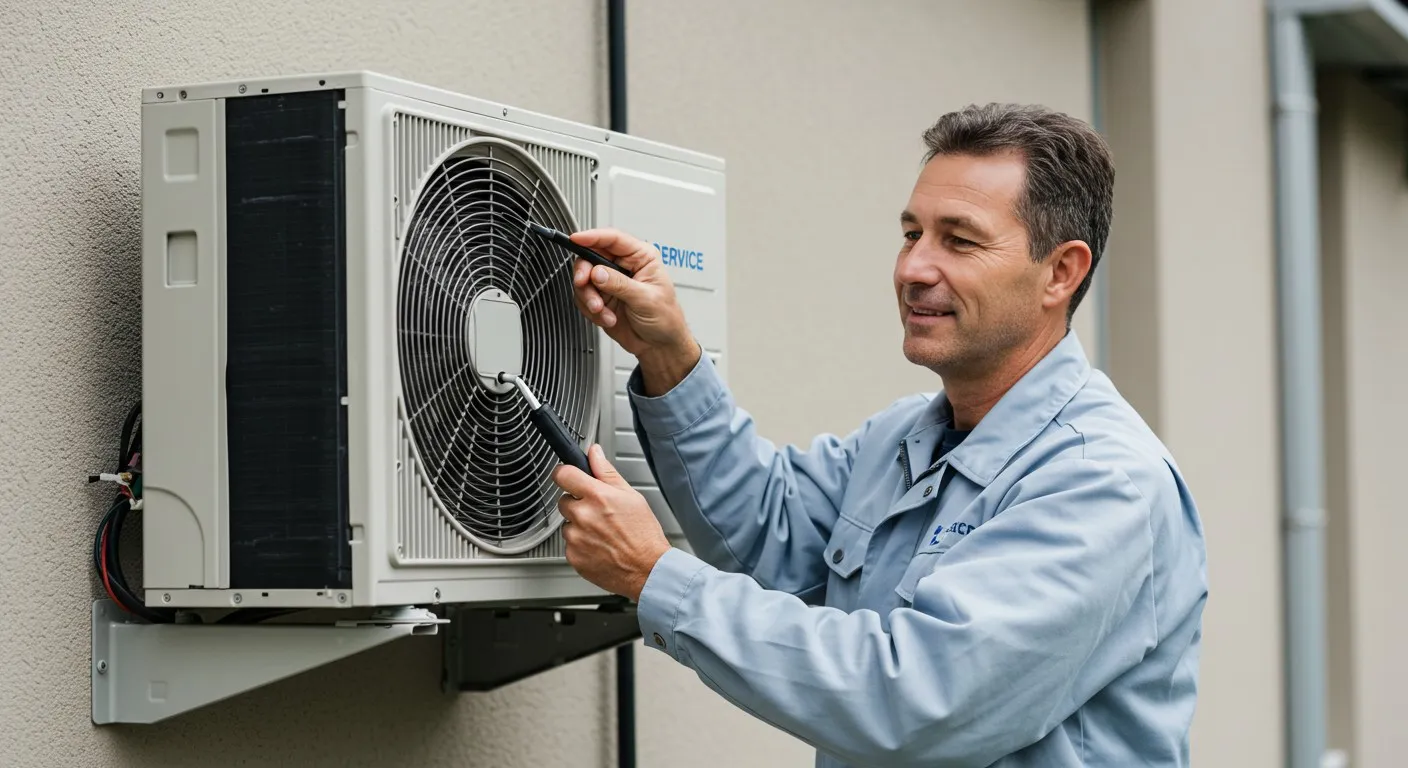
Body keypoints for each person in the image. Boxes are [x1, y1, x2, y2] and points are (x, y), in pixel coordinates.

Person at [549, 103, 1207, 767]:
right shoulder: (903, 438)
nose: (914, 268)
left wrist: (654, 575)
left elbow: (916, 701)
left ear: (1061, 272)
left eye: (960, 241)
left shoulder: (1101, 482)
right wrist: (668, 356)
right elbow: (769, 532)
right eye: (912, 233)